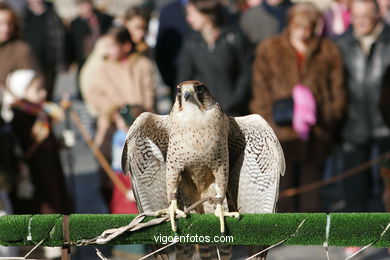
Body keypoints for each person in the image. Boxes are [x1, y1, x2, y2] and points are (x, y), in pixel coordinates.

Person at [250, 2, 346, 212]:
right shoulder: (270, 48)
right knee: (282, 181)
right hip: (280, 126)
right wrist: (265, 119)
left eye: (308, 27)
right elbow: (260, 87)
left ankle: (308, 228)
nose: (303, 32)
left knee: (311, 183)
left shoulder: (327, 49)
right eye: (298, 27)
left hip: (315, 127)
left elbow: (336, 86)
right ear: (290, 24)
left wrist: (331, 114)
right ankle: (285, 228)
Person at [81, 26, 156, 204]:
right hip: (111, 125)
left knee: (143, 171)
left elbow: (149, 93)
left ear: (126, 46)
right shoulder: (101, 67)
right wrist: (115, 112)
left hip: (140, 124)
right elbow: (94, 94)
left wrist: (139, 114)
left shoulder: (142, 64)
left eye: (112, 46)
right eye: (106, 46)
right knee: (109, 171)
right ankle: (113, 208)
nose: (108, 51)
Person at [336, 0, 390, 213]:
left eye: (364, 17)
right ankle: (356, 236)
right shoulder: (342, 43)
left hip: (386, 124)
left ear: (377, 15)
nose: (358, 22)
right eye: (355, 17)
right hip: (353, 123)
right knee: (355, 184)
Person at [8, 70, 72, 215]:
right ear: (22, 91)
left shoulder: (42, 113)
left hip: (51, 168)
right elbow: (28, 149)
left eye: (43, 88)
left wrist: (60, 143)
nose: (43, 93)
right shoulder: (20, 117)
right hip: (36, 173)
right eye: (38, 90)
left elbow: (48, 144)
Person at [178, 0, 252, 116]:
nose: (188, 19)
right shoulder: (191, 44)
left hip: (234, 113)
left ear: (206, 15)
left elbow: (246, 72)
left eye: (192, 14)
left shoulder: (234, 38)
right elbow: (183, 79)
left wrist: (235, 101)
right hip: (202, 116)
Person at [23, 0, 66, 101]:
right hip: (30, 63)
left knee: (46, 93)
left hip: (48, 63)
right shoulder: (24, 16)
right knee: (31, 94)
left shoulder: (52, 15)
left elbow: (60, 40)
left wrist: (61, 62)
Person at [69, 0, 113, 98]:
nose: (86, 8)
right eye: (83, 5)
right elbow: (72, 43)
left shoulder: (103, 18)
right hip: (83, 57)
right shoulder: (75, 23)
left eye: (87, 5)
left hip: (101, 55)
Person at [155, 0, 189, 99]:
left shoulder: (213, 7)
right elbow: (161, 53)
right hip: (178, 82)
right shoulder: (168, 12)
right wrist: (171, 82)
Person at [0, 2, 37, 88]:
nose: (6, 28)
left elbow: (33, 85)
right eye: (1, 23)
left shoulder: (22, 50)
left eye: (9, 23)